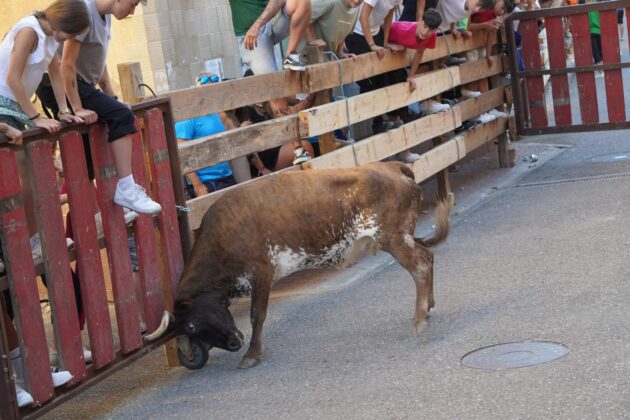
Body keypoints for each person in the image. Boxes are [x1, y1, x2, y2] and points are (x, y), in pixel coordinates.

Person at [36, 0, 161, 215]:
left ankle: (98, 211)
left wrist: (110, 95)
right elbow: (66, 64)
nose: (132, 11)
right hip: (56, 83)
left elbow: (99, 59)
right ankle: (126, 189)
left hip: (80, 84)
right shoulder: (84, 13)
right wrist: (76, 107)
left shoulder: (105, 17)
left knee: (88, 156)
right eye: (132, 4)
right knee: (122, 116)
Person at [345, 0, 411, 134]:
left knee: (388, 75)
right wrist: (372, 45)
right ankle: (377, 122)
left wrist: (385, 43)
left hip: (375, 33)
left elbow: (388, 17)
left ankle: (395, 116)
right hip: (357, 34)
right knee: (370, 80)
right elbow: (363, 17)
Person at [175, 74, 240, 199]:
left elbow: (236, 138)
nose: (209, 82)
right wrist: (197, 184)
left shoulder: (219, 114)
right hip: (207, 182)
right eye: (204, 80)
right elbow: (182, 155)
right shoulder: (188, 116)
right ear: (196, 87)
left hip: (226, 176)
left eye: (214, 79)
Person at [229, 0, 312, 73]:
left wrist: (257, 25)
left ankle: (289, 58)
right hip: (251, 38)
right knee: (272, 85)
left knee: (302, 1)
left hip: (270, 21)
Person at [389, 8, 443, 93]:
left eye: (431, 30)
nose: (425, 32)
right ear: (420, 20)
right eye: (425, 26)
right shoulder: (401, 29)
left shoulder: (432, 36)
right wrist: (389, 44)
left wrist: (411, 76)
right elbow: (383, 28)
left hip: (397, 61)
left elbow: (420, 52)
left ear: (436, 30)